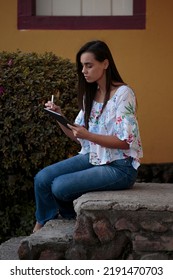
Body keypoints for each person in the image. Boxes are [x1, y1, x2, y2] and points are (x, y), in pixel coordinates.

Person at [33, 40, 143, 232]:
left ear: (105, 64)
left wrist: (89, 135)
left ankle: (63, 220)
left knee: (59, 187)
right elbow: (79, 137)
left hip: (119, 167)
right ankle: (45, 222)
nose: (84, 70)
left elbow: (125, 142)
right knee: (42, 179)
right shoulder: (90, 95)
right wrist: (59, 117)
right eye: (82, 66)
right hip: (93, 157)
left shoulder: (123, 94)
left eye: (89, 65)